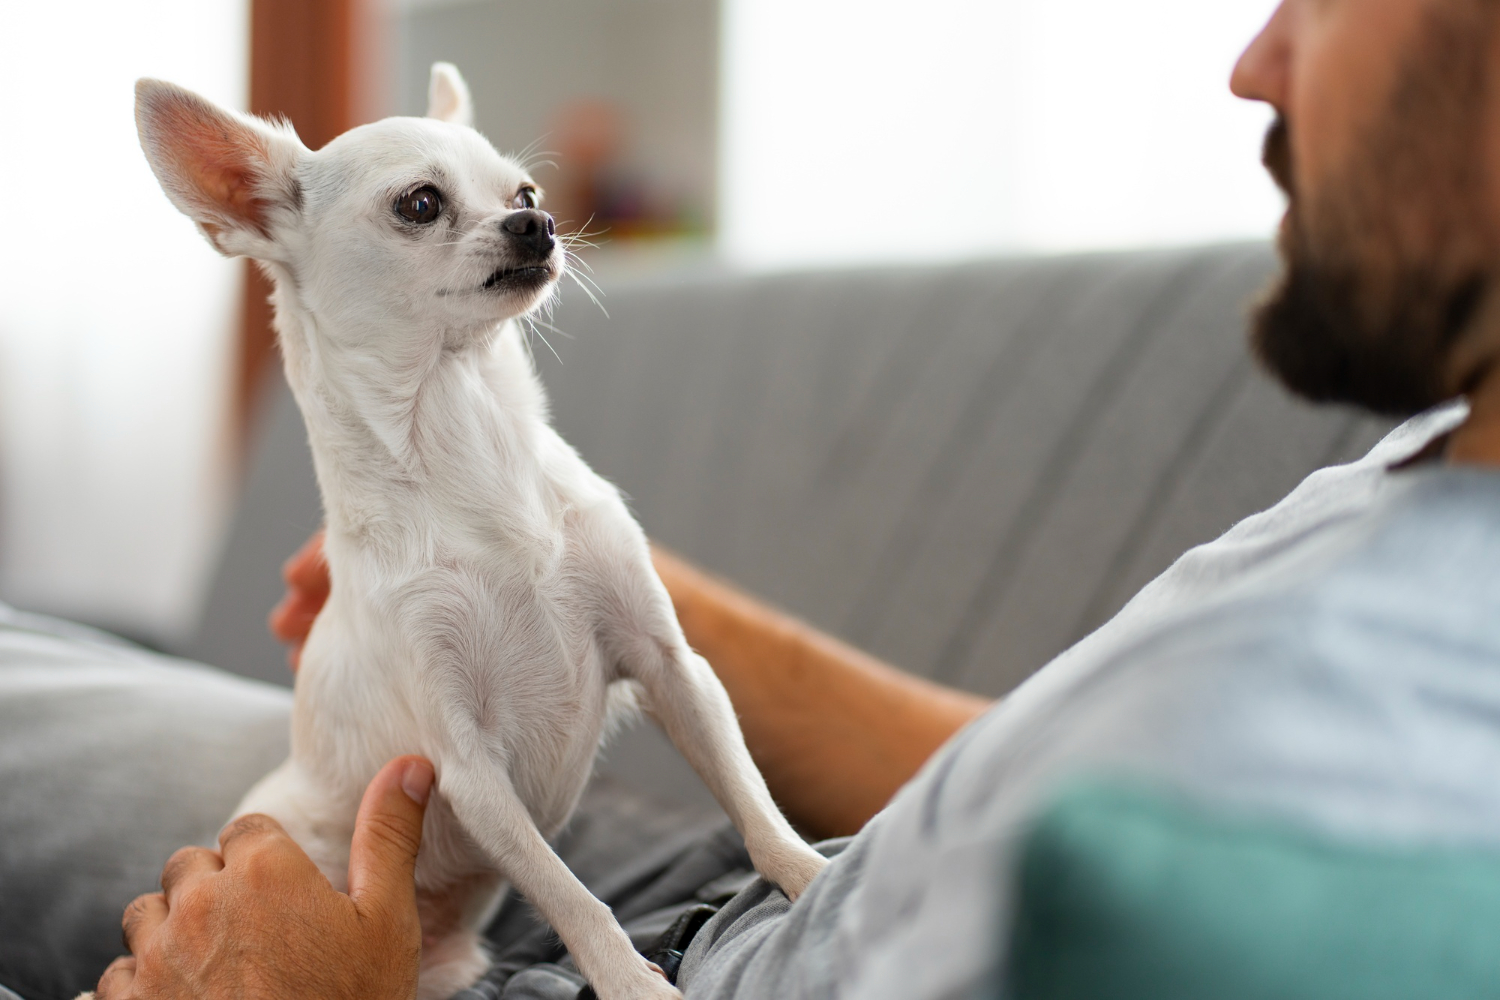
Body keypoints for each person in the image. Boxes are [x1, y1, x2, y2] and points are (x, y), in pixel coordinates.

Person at [13, 0, 1500, 995]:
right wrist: (591, 599)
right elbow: (1044, 770)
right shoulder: (1421, 462)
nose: (1252, 58)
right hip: (724, 865)